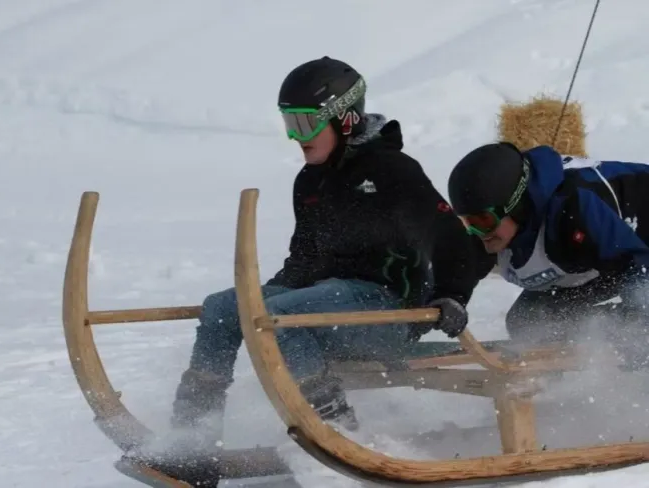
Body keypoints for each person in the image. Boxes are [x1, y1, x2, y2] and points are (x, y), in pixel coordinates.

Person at [169, 56, 490, 441]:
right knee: (223, 308)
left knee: (282, 317)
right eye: (290, 123)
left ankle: (336, 432)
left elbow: (449, 235)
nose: (295, 136)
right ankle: (191, 438)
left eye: (305, 122)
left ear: (345, 118)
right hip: (329, 302)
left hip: (389, 312)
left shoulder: (391, 171)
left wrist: (452, 296)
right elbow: (304, 259)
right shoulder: (310, 183)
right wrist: (258, 301)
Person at [447, 142, 649, 363]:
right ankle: (558, 382)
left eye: (483, 220)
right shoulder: (493, 227)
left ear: (517, 205)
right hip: (601, 258)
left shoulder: (574, 210)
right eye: (468, 221)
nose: (477, 231)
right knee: (528, 323)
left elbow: (639, 271)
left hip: (636, 250)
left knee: (625, 324)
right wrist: (449, 298)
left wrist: (635, 334)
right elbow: (463, 267)